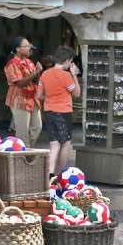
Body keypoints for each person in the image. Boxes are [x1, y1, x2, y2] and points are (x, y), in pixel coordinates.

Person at [38, 47, 80, 177]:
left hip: (49, 111)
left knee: (54, 143)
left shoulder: (45, 74)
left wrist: (50, 98)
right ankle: (59, 175)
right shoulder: (66, 76)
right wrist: (74, 75)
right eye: (70, 62)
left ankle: (50, 174)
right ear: (67, 60)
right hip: (64, 112)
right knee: (66, 143)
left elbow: (39, 95)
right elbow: (77, 93)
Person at [3, 37, 42, 147]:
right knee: (22, 132)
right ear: (18, 49)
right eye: (27, 46)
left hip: (32, 98)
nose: (30, 48)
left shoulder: (29, 62)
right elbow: (20, 83)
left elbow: (35, 80)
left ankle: (25, 149)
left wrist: (38, 73)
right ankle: (24, 156)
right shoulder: (12, 64)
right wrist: (37, 72)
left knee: (37, 127)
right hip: (19, 100)